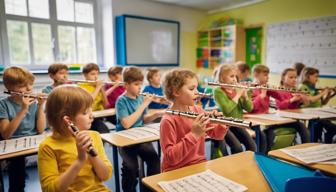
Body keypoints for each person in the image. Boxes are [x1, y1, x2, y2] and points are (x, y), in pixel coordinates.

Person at [38, 85, 112, 191]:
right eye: (85, 113)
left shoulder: (94, 136)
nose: (92, 116)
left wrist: (92, 154)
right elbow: (50, 189)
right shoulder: (47, 146)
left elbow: (105, 176)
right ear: (68, 120)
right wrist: (80, 160)